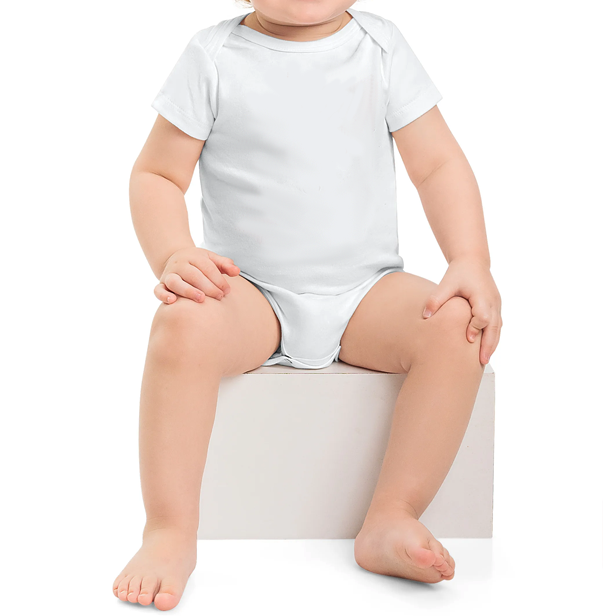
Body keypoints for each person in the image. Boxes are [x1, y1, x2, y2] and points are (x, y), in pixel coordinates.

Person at [113, 1, 503, 610]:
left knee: (458, 325)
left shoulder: (380, 48)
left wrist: (470, 259)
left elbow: (437, 165)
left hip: (366, 292)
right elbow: (157, 175)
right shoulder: (213, 56)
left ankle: (393, 514)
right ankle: (169, 529)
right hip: (251, 295)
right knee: (181, 324)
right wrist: (173, 253)